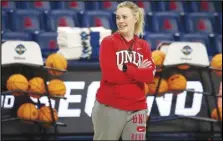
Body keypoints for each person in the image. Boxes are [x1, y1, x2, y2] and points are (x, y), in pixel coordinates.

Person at [91, 1, 156, 140]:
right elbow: (111, 76)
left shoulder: (143, 46)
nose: (120, 21)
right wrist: (138, 72)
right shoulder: (109, 42)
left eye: (124, 17)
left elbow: (149, 77)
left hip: (138, 109)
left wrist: (127, 68)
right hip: (110, 107)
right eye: (118, 17)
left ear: (135, 18)